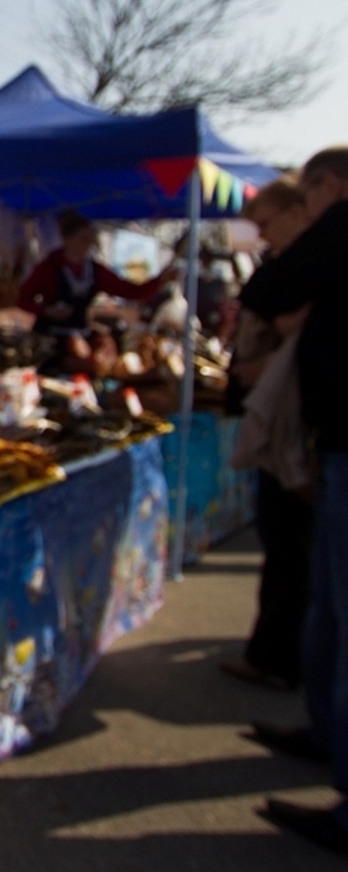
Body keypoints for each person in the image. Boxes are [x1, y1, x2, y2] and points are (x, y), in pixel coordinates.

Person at [237, 147, 348, 856]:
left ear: (330, 190)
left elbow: (271, 287)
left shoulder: (338, 224)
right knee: (330, 609)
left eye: (309, 206)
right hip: (333, 441)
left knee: (336, 606)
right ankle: (328, 733)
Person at [220, 179, 313, 692]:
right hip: (282, 417)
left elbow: (305, 328)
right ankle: (278, 652)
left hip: (290, 420)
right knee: (285, 541)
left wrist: (270, 366)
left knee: (289, 542)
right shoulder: (294, 265)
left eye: (265, 224)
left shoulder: (313, 265)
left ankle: (276, 656)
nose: (261, 237)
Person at [16, 209, 172, 374]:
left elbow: (131, 291)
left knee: (96, 359)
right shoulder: (49, 267)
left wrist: (160, 280)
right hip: (50, 338)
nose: (87, 245)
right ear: (67, 239)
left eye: (90, 240)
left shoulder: (94, 270)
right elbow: (21, 298)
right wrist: (46, 310)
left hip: (80, 333)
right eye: (83, 239)